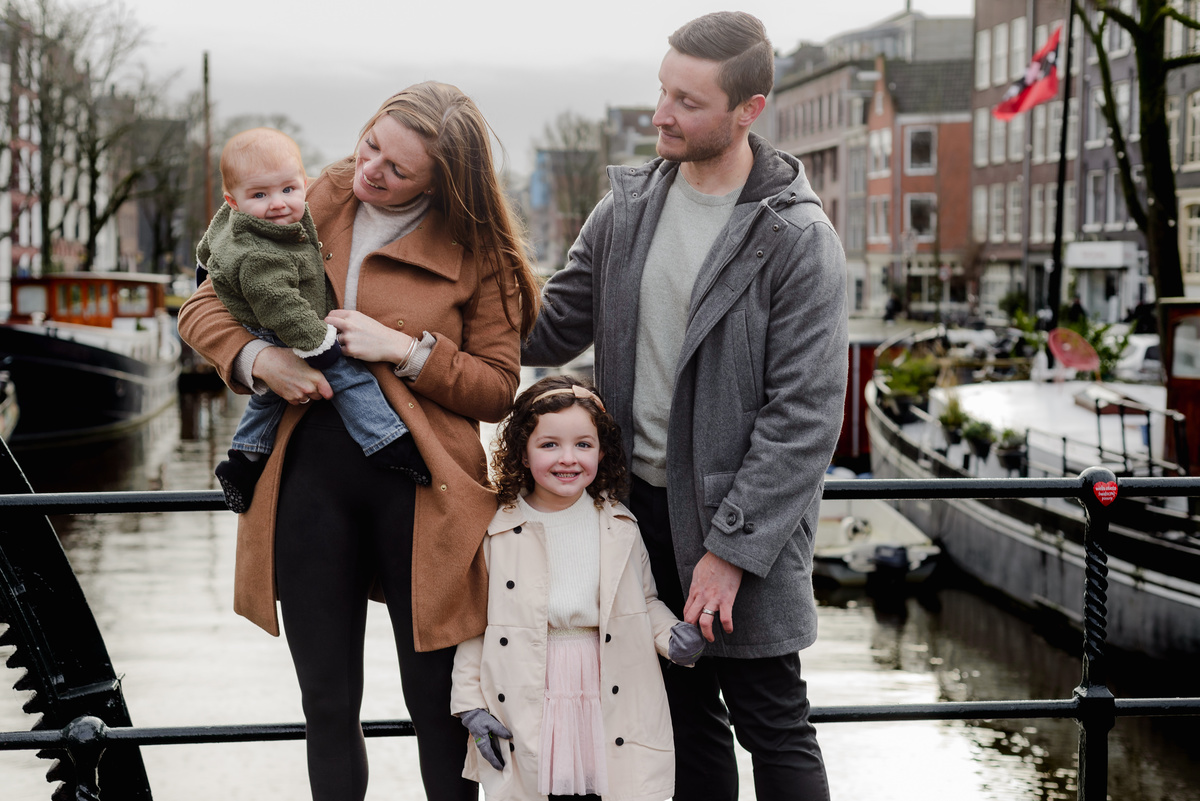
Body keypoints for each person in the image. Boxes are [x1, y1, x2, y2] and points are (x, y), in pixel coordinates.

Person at [177, 82, 541, 801]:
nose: (370, 170)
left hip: (425, 497)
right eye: (370, 143)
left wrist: (404, 349)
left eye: (397, 169)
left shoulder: (481, 250)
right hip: (308, 484)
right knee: (329, 706)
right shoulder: (315, 195)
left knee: (440, 710)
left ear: (444, 181)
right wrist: (261, 362)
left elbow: (499, 387)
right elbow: (203, 302)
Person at [521, 12, 848, 801]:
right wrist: (418, 329)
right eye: (662, 91)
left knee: (772, 718)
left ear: (749, 110)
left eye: (688, 101)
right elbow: (548, 325)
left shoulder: (797, 237)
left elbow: (804, 417)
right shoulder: (625, 209)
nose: (662, 114)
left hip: (745, 524)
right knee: (680, 716)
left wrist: (730, 551)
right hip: (639, 513)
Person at [451, 375, 704, 801]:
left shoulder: (620, 524)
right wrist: (470, 704)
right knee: (540, 787)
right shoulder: (496, 529)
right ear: (522, 452)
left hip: (606, 680)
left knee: (611, 785)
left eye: (583, 445)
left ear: (601, 452)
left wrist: (671, 636)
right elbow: (475, 622)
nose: (568, 458)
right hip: (531, 683)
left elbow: (643, 601)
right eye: (549, 444)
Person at [197, 127, 429, 514]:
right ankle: (389, 442)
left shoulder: (289, 206)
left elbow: (213, 239)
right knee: (347, 377)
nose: (278, 203)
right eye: (370, 146)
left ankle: (242, 459)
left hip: (290, 324)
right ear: (233, 201)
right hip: (290, 328)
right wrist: (308, 347)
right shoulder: (261, 250)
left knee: (269, 399)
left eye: (289, 189)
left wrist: (206, 258)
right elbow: (279, 304)